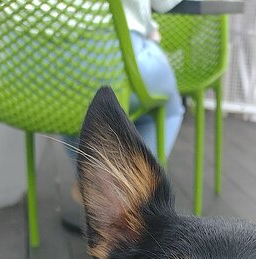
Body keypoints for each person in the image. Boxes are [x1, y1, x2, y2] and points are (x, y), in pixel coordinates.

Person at [61, 0, 184, 233]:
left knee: (70, 112)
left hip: (37, 64)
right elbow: (164, 4)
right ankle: (134, 205)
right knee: (170, 109)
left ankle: (95, 187)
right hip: (114, 51)